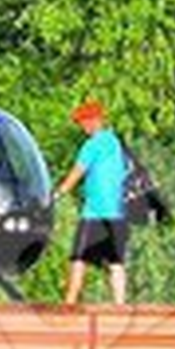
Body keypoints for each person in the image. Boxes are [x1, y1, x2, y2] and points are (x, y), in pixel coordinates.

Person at [53, 100, 129, 306]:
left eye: (83, 121)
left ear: (94, 120)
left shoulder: (92, 145)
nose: (82, 127)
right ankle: (120, 306)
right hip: (116, 212)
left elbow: (77, 173)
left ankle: (69, 304)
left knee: (79, 258)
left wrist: (57, 194)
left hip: (94, 212)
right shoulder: (114, 142)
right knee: (116, 262)